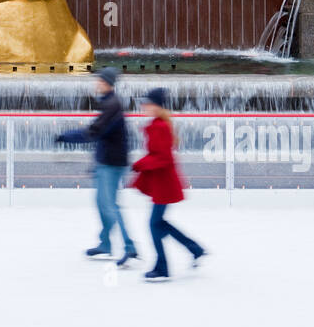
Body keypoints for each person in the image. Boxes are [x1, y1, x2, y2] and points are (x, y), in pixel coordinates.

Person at [56, 67, 138, 266]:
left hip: (112, 163)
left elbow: (93, 133)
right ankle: (106, 243)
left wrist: (65, 137)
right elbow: (103, 136)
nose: (96, 84)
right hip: (107, 161)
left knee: (110, 206)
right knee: (103, 204)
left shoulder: (112, 105)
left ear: (107, 83)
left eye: (100, 81)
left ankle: (129, 247)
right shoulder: (110, 103)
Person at [131, 88, 206, 282]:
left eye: (148, 103)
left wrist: (140, 164)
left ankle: (162, 267)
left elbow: (163, 158)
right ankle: (194, 249)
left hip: (164, 183)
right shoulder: (158, 124)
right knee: (159, 223)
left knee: (154, 224)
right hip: (162, 182)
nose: (144, 106)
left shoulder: (160, 127)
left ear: (157, 106)